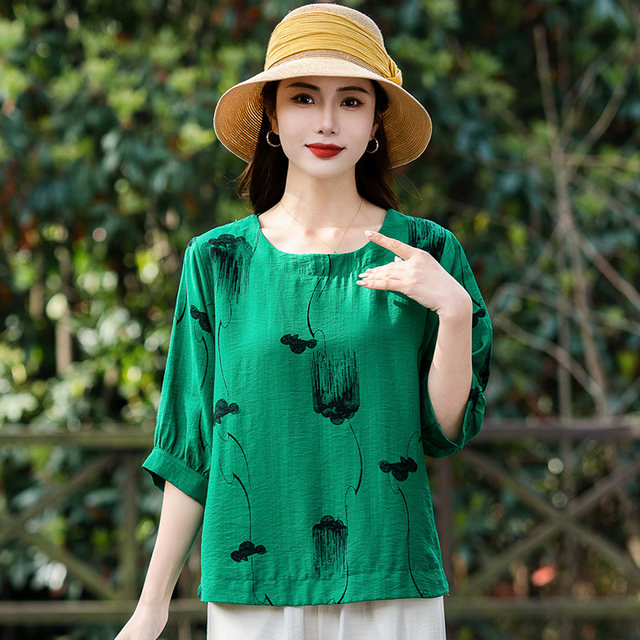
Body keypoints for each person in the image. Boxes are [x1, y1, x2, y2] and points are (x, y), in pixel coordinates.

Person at [115, 3, 492, 640]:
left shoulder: (427, 253)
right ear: (272, 115)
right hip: (251, 585)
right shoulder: (218, 260)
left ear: (375, 123)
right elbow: (192, 445)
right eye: (304, 97)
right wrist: (151, 609)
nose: (326, 121)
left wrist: (454, 313)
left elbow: (444, 431)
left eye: (351, 101)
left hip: (389, 580)